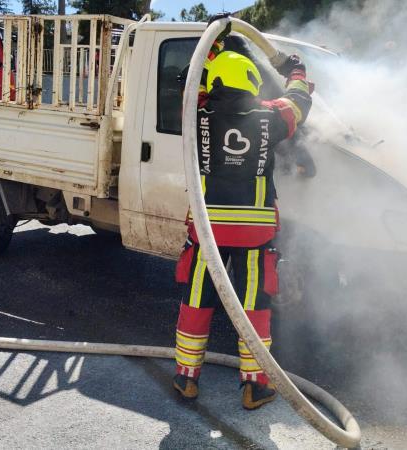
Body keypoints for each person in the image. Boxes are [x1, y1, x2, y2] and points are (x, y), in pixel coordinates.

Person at [172, 18, 313, 410]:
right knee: (253, 308)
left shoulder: (196, 115)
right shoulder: (269, 117)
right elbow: (300, 102)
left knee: (195, 303)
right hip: (254, 237)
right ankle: (255, 387)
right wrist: (295, 70)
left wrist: (213, 46)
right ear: (252, 79)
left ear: (215, 80)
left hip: (207, 233)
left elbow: (189, 81)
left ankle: (186, 378)